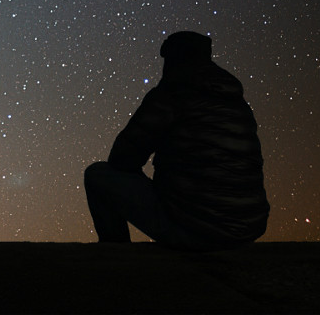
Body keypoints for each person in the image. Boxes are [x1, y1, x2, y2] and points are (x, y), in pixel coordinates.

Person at [84, 31, 269, 250]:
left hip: (197, 230)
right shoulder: (236, 102)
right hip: (246, 229)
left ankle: (116, 255)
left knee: (98, 175)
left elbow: (122, 159)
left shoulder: (171, 94)